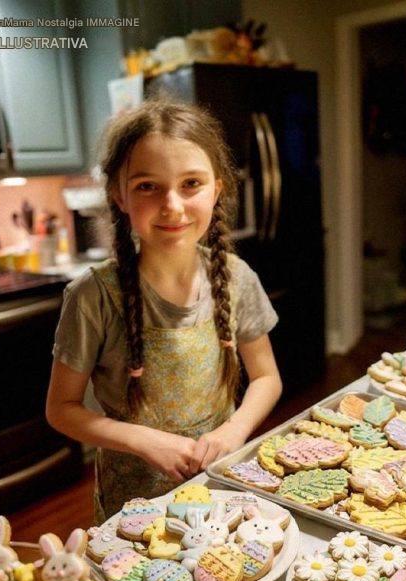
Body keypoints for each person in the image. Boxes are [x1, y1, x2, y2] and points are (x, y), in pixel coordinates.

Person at [46, 99, 282, 521]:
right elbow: (62, 409)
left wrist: (234, 431)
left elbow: (266, 377)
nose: (172, 205)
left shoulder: (237, 278)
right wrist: (144, 441)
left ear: (218, 188)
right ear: (119, 195)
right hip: (132, 506)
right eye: (147, 186)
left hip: (220, 488)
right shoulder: (94, 297)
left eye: (191, 183)